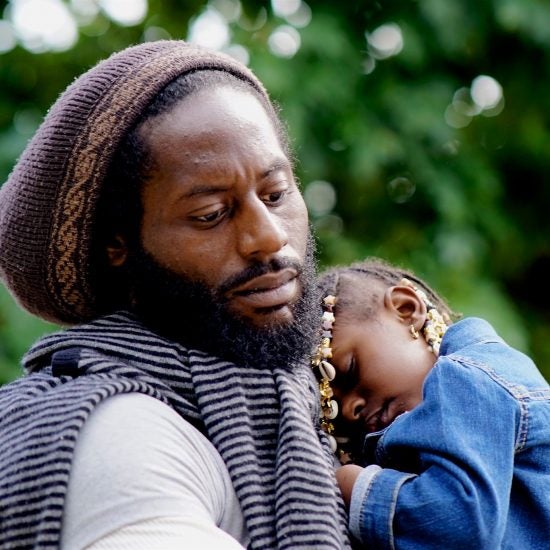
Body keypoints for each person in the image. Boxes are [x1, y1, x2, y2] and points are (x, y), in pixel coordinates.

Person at [0, 41, 350, 549]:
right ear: (118, 245)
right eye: (211, 214)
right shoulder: (115, 439)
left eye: (275, 195)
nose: (269, 237)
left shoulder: (336, 397)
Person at [310, 257, 550, 549]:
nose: (349, 409)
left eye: (348, 370)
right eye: (331, 406)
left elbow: (462, 524)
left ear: (406, 309)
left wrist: (354, 486)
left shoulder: (466, 377)